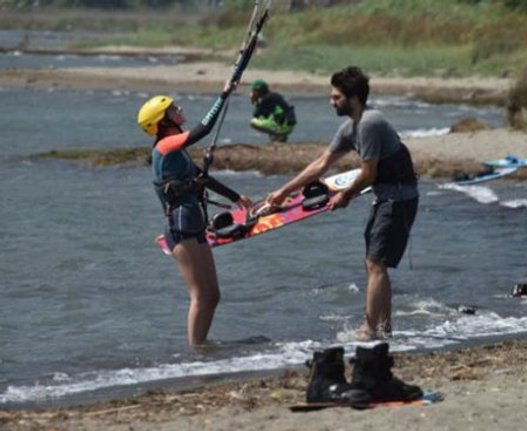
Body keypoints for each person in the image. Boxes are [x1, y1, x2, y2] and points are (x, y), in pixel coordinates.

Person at [266, 66, 418, 340]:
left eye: (336, 97)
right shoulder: (351, 127)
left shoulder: (371, 123)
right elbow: (322, 164)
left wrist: (344, 196)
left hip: (399, 198)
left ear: (354, 98)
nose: (331, 102)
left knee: (375, 263)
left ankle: (371, 330)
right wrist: (283, 191)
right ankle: (384, 328)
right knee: (374, 264)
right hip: (385, 197)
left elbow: (368, 173)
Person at [137, 78, 251, 346]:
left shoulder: (178, 152)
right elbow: (205, 128)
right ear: (163, 120)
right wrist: (224, 94)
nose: (180, 108)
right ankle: (196, 353)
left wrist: (237, 198)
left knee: (213, 295)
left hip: (194, 225)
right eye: (173, 107)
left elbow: (202, 178)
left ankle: (201, 348)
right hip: (181, 228)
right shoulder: (165, 146)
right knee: (200, 296)